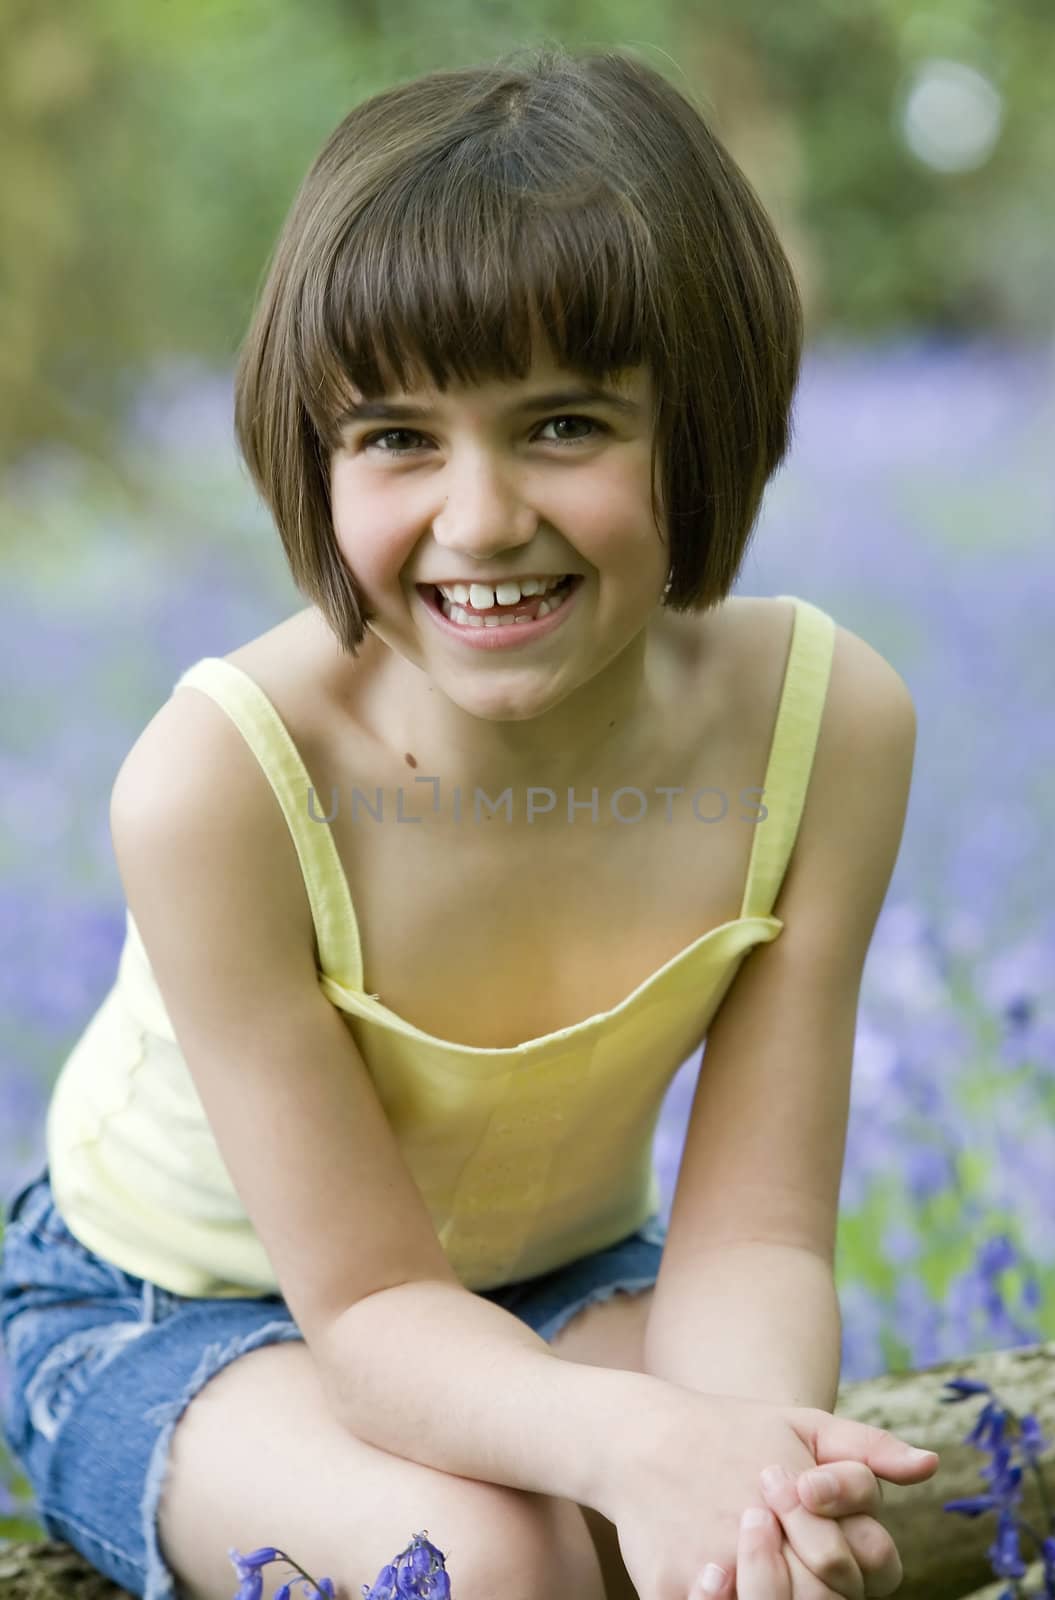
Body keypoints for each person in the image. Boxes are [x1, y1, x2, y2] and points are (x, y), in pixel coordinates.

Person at [0, 40, 935, 1600]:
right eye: (394, 437)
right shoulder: (223, 783)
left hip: (561, 1278)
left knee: (735, 1536)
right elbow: (367, 1313)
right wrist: (633, 1450)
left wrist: (741, 1465)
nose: (480, 517)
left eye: (564, 424)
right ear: (314, 454)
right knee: (486, 1563)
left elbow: (757, 1238)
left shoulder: (825, 729)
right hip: (177, 1312)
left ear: (701, 423)